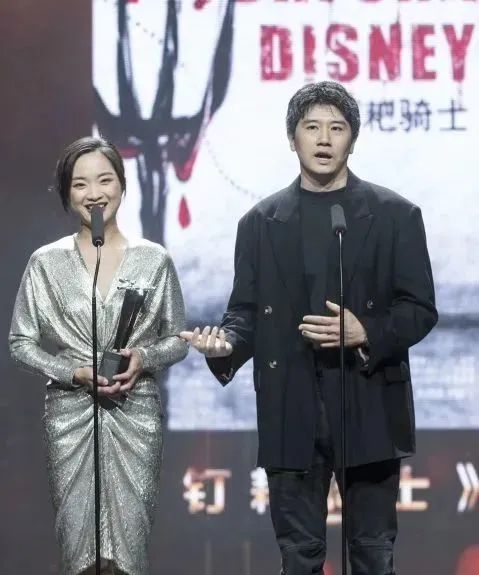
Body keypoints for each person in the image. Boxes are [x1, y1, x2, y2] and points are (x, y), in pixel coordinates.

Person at [180, 81, 438, 575]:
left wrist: (367, 331)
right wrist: (225, 345)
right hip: (290, 408)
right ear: (292, 138)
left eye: (336, 129)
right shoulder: (259, 223)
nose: (323, 139)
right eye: (311, 127)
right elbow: (245, 312)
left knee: (373, 554)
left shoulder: (396, 216)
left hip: (368, 406)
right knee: (298, 558)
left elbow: (420, 309)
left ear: (352, 140)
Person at [9, 137, 188, 575]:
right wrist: (71, 371)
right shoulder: (45, 262)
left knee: (130, 547)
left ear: (122, 186)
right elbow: (20, 343)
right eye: (80, 184)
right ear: (67, 193)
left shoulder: (154, 260)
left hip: (135, 414)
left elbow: (178, 339)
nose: (94, 193)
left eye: (105, 180)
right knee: (78, 548)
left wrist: (143, 357)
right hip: (70, 416)